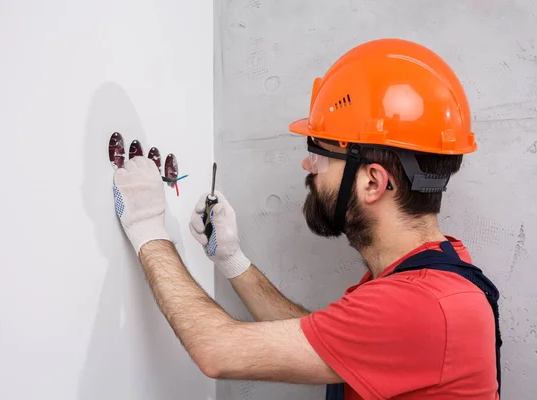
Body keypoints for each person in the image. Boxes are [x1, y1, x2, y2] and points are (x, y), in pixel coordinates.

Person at [111, 38, 501, 400]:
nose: (307, 166)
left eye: (318, 154)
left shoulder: (419, 308)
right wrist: (231, 260)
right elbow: (326, 343)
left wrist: (147, 227)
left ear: (372, 182)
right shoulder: (431, 282)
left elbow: (217, 351)